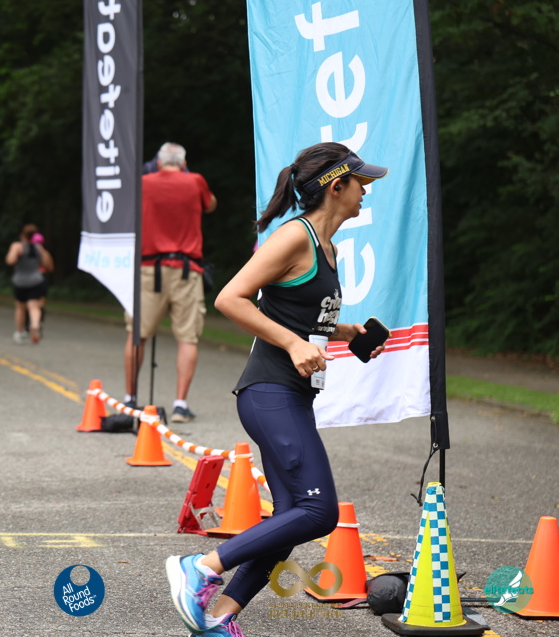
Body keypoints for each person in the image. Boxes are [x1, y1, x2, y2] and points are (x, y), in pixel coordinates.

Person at [164, 142, 389, 636]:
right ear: (336, 186)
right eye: (361, 182)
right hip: (270, 393)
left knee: (290, 518)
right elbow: (231, 298)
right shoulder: (294, 236)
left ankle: (218, 617)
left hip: (292, 397)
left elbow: (294, 314)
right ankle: (199, 568)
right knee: (318, 511)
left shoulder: (327, 248)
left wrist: (345, 332)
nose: (366, 190)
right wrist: (290, 343)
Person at [123, 142, 217, 422]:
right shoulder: (195, 181)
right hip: (187, 270)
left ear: (159, 162)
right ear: (184, 163)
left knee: (137, 334)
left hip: (148, 269)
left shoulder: (143, 183)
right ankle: (180, 405)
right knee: (187, 337)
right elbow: (211, 205)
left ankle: (130, 399)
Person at [5, 223, 53, 344]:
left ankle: (20, 332)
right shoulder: (39, 248)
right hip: (36, 280)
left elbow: (10, 261)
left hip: (20, 281)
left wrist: (16, 254)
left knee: (20, 308)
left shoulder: (17, 246)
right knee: (34, 307)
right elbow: (48, 265)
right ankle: (35, 325)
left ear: (22, 234)